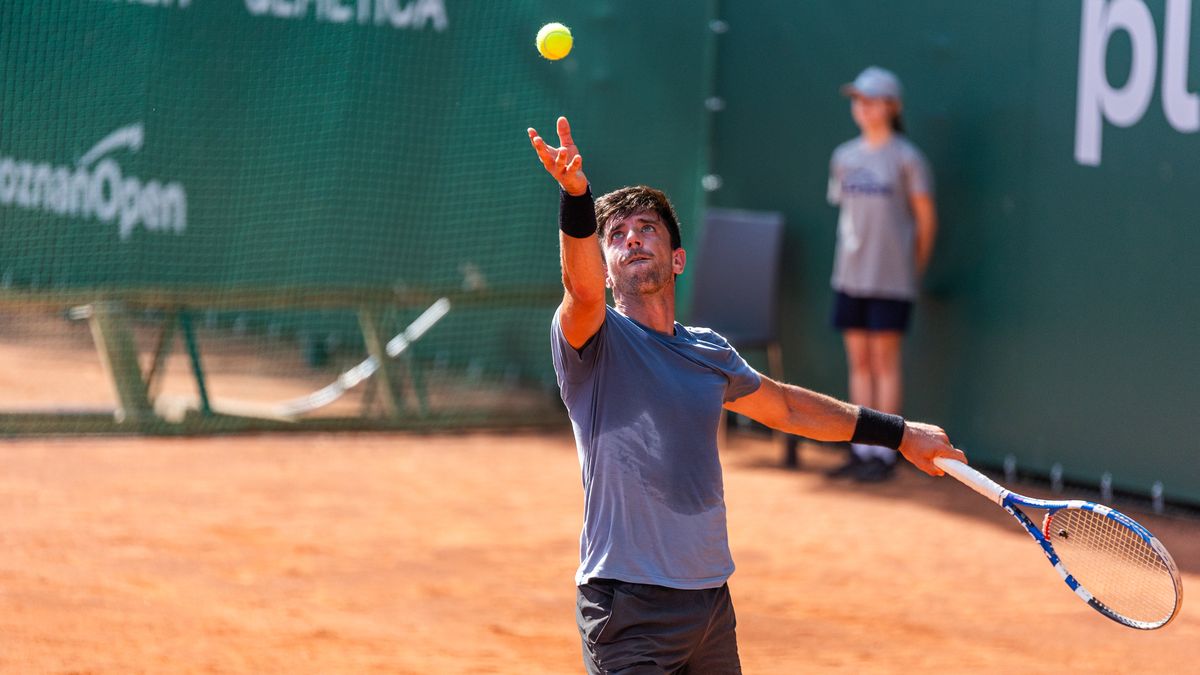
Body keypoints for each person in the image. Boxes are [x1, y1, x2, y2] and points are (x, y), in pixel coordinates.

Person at [527, 116, 964, 674]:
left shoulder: (709, 351)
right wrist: (576, 197)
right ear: (609, 273)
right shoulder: (593, 338)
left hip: (709, 603)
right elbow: (580, 288)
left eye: (647, 228)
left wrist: (900, 433)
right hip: (626, 606)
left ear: (677, 259)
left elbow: (785, 406)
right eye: (616, 235)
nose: (632, 237)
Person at [825, 66, 939, 483]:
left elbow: (926, 221)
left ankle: (887, 454)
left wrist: (911, 269)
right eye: (858, 100)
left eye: (872, 100)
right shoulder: (844, 157)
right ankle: (861, 449)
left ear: (892, 107)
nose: (864, 108)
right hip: (849, 276)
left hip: (892, 280)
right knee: (859, 361)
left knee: (884, 362)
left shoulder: (907, 159)